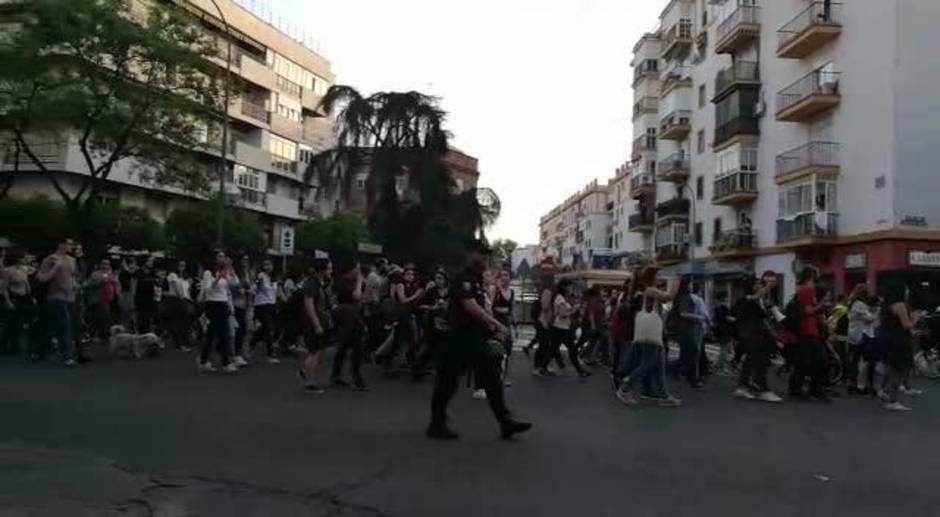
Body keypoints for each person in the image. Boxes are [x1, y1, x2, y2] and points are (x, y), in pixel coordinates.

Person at [427, 240, 532, 440]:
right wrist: (497, 325)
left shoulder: (475, 279)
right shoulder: (464, 278)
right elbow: (470, 306)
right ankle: (436, 424)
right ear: (469, 254)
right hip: (455, 339)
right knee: (446, 383)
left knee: (492, 378)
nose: (484, 258)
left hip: (472, 338)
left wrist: (491, 328)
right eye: (480, 254)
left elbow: (481, 307)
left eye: (485, 255)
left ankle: (505, 422)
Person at [615, 265, 682, 407]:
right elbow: (669, 296)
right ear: (651, 277)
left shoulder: (643, 291)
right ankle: (624, 389)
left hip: (649, 332)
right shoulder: (649, 290)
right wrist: (676, 279)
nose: (660, 277)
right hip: (651, 333)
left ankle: (664, 396)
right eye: (658, 275)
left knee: (659, 366)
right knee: (647, 364)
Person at [732, 275, 783, 403]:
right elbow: (755, 297)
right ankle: (761, 389)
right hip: (750, 336)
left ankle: (744, 387)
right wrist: (768, 287)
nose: (759, 286)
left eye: (759, 284)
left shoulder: (759, 302)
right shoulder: (745, 299)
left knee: (752, 361)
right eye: (756, 284)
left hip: (758, 335)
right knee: (758, 361)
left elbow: (765, 318)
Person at [788, 267, 830, 402]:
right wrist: (822, 305)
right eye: (817, 272)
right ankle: (812, 390)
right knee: (816, 361)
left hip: (809, 330)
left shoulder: (806, 290)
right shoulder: (807, 290)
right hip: (807, 330)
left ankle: (801, 389)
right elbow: (807, 310)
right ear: (812, 275)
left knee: (807, 361)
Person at [35, 238, 78, 366]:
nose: (72, 246)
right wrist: (55, 268)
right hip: (56, 297)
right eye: (70, 243)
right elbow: (41, 278)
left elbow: (72, 276)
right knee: (65, 327)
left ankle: (39, 351)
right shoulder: (50, 259)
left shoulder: (72, 260)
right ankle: (67, 357)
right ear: (61, 244)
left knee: (51, 327)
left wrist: (75, 285)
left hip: (70, 297)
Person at [879, 282, 919, 411]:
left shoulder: (886, 306)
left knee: (890, 368)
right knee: (898, 370)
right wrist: (916, 319)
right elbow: (906, 325)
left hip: (889, 339)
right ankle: (893, 400)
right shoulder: (900, 305)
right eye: (906, 290)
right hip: (899, 341)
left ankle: (884, 390)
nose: (908, 292)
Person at [330, 261, 368, 391]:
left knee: (344, 346)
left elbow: (362, 298)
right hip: (348, 314)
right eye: (356, 269)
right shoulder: (346, 281)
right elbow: (356, 296)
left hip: (351, 313)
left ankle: (336, 375)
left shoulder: (346, 281)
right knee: (356, 345)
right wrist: (359, 282)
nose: (358, 271)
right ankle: (356, 379)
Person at [297, 259, 333, 394]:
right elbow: (309, 305)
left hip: (322, 319)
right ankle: (310, 382)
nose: (331, 271)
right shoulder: (311, 283)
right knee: (314, 351)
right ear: (322, 270)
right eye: (329, 269)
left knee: (320, 350)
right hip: (313, 321)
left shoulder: (321, 284)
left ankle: (307, 372)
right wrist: (316, 324)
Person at [198, 251, 236, 374]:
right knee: (223, 334)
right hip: (213, 304)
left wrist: (230, 269)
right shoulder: (208, 273)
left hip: (223, 304)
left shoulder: (225, 271)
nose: (222, 258)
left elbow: (234, 284)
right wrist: (218, 277)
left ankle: (203, 361)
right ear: (214, 259)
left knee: (212, 335)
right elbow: (207, 289)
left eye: (223, 257)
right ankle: (226, 363)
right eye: (219, 256)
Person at [0, 247, 33, 355]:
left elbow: (26, 284)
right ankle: (4, 345)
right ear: (17, 258)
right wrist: (8, 301)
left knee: (20, 322)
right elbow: (4, 288)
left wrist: (31, 296)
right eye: (23, 257)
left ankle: (15, 345)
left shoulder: (24, 270)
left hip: (24, 298)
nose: (25, 259)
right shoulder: (8, 271)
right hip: (14, 297)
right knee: (10, 323)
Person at [675, 277, 705, 388]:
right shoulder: (686, 298)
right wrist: (699, 317)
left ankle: (686, 374)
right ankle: (693, 378)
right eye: (690, 284)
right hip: (690, 328)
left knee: (689, 354)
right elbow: (683, 313)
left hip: (690, 328)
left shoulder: (686, 297)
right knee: (693, 354)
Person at [846, 284, 876, 394]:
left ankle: (853, 383)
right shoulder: (860, 305)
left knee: (855, 360)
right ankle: (864, 385)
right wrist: (874, 313)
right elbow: (869, 319)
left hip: (853, 335)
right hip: (862, 336)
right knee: (867, 361)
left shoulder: (852, 303)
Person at [248, 259, 280, 363]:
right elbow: (254, 288)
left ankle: (252, 344)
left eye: (270, 264)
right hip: (261, 305)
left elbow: (276, 292)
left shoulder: (274, 278)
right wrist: (257, 283)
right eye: (265, 265)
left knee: (267, 328)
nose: (268, 267)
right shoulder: (260, 276)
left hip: (271, 305)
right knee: (267, 326)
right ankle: (270, 353)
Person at [85, 259, 119, 345]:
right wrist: (100, 281)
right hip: (98, 299)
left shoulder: (111, 274)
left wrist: (117, 292)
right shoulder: (96, 274)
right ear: (100, 265)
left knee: (107, 317)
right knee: (98, 317)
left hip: (110, 299)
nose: (105, 266)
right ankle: (95, 334)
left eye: (107, 264)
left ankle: (105, 335)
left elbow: (116, 284)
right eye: (103, 264)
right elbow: (88, 284)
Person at [164, 260, 193, 352]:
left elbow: (187, 290)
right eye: (180, 265)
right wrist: (182, 298)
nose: (182, 267)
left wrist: (189, 299)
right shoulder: (173, 275)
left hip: (185, 299)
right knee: (178, 322)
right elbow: (176, 287)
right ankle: (179, 344)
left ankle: (183, 342)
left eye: (184, 265)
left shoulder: (186, 277)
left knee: (184, 322)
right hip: (176, 299)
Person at [134, 256, 158, 334]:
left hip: (150, 297)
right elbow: (135, 284)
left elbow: (156, 283)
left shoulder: (153, 272)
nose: (152, 263)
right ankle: (140, 332)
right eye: (150, 261)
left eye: (152, 261)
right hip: (141, 297)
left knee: (148, 317)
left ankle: (147, 332)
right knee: (141, 317)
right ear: (145, 262)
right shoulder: (139, 271)